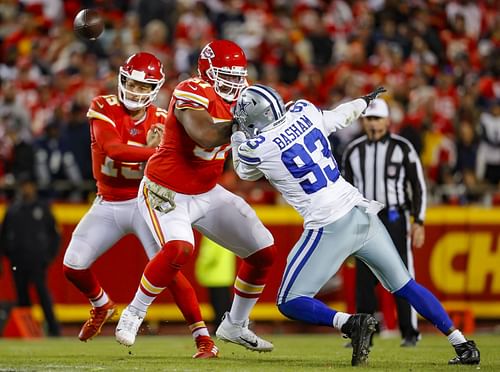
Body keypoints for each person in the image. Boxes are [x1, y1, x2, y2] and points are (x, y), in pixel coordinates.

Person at [230, 83, 480, 366]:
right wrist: (362, 102)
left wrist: (237, 138)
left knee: (289, 300)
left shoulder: (257, 147)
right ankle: (462, 343)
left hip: (328, 224)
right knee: (406, 285)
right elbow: (340, 116)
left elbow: (243, 171)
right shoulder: (304, 111)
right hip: (362, 213)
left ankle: (350, 323)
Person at [115, 40, 276, 353]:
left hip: (206, 190)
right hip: (165, 188)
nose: (233, 81)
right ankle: (134, 311)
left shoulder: (247, 96)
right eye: (225, 74)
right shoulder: (192, 89)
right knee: (178, 248)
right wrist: (243, 121)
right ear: (207, 70)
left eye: (237, 74)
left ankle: (235, 325)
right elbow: (204, 133)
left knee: (264, 252)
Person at [62, 52, 218, 358]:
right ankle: (102, 305)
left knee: (169, 270)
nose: (137, 91)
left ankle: (203, 338)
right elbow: (113, 150)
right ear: (123, 80)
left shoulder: (163, 119)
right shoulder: (103, 106)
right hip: (108, 201)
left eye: (145, 87)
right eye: (133, 83)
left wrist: (163, 149)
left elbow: (188, 157)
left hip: (147, 201)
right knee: (73, 266)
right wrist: (157, 150)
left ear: (155, 89)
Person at [342, 98, 426, 347]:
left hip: (394, 217)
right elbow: (345, 189)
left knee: (402, 274)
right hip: (364, 217)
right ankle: (364, 333)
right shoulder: (353, 150)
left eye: (377, 118)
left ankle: (410, 332)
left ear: (388, 121)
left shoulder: (403, 147)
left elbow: (418, 185)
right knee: (364, 279)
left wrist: (419, 220)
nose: (373, 123)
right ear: (363, 121)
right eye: (369, 118)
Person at [0, 173, 61, 336]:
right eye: (23, 185)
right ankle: (27, 330)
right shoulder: (13, 210)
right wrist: (7, 254)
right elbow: (3, 236)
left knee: (43, 296)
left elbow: (55, 235)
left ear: (33, 187)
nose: (25, 189)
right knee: (22, 298)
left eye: (28, 185)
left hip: (37, 261)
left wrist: (48, 257)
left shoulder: (42, 208)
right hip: (17, 261)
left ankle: (54, 330)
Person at [195, 236, 236, 331]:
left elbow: (209, 255)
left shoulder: (211, 235)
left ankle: (221, 328)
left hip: (214, 275)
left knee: (218, 305)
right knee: (225, 303)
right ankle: (229, 327)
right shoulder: (225, 234)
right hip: (225, 274)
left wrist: (200, 268)